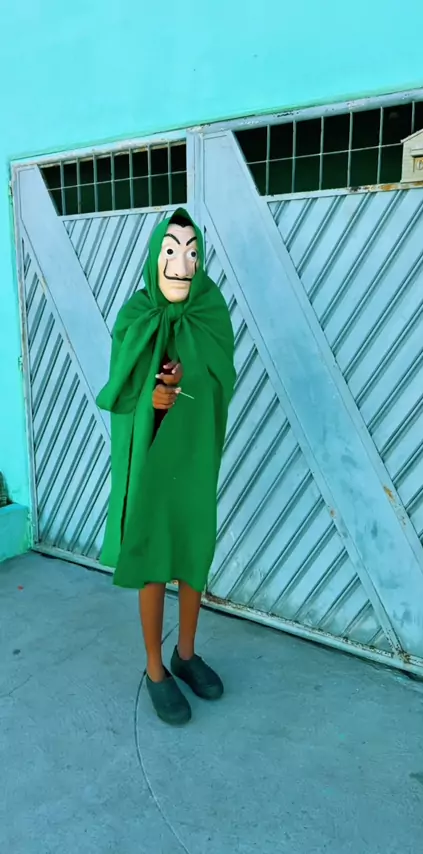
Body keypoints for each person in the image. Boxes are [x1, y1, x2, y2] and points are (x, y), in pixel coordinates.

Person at [96, 209, 236, 726]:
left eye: (192, 251)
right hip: (152, 462)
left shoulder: (210, 309)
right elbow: (124, 389)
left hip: (194, 456)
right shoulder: (136, 316)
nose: (183, 263)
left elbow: (221, 379)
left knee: (194, 548)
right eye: (172, 250)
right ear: (156, 255)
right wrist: (155, 400)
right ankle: (155, 668)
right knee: (155, 555)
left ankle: (186, 654)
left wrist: (185, 379)